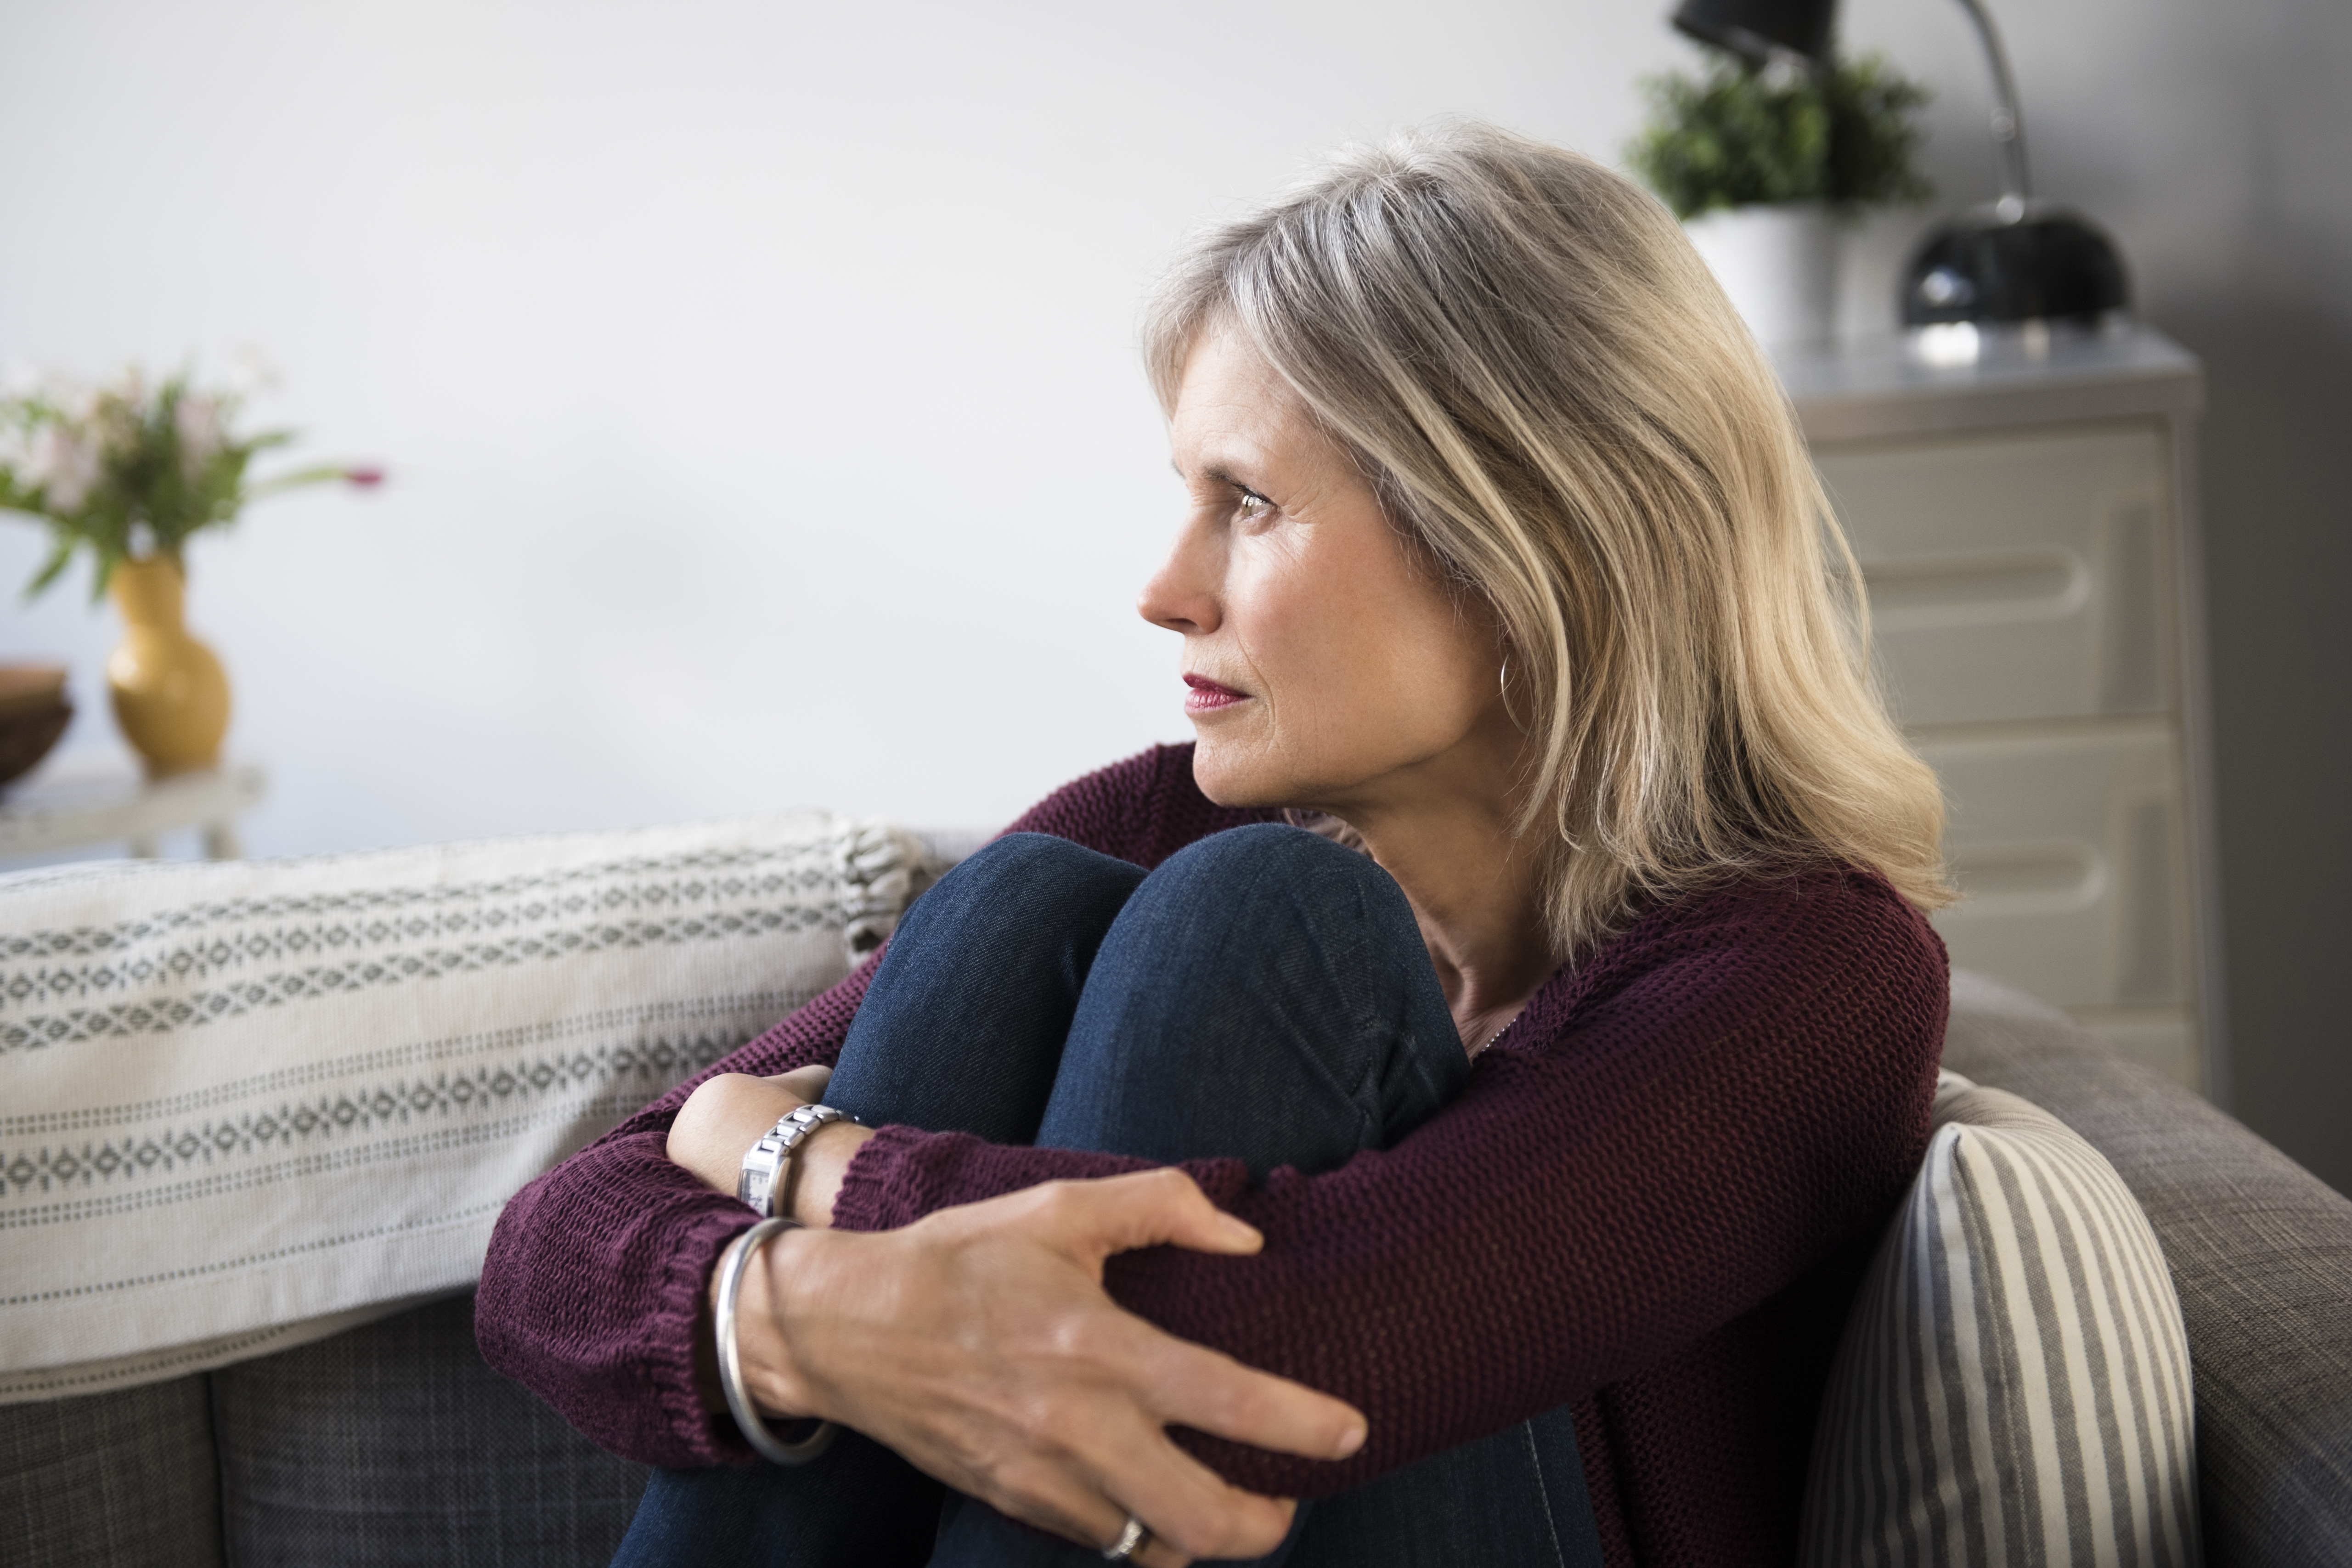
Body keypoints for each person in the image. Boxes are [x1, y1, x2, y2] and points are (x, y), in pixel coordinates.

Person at [476, 121, 1953, 1568]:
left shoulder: (1816, 976)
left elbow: (1276, 1349)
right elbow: (552, 1250)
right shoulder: (1159, 816)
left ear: (1527, 541)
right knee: (1024, 907)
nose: (1163, 590)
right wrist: (802, 1316)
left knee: (1260, 914)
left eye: (1243, 502)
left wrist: (795, 1157)